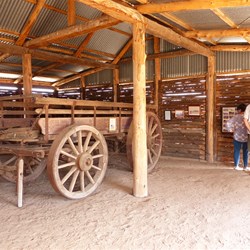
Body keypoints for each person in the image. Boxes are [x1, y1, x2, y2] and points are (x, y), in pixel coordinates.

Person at [226, 103, 248, 170]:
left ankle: (236, 166)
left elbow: (227, 123)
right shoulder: (247, 117)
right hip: (247, 137)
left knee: (237, 151)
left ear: (240, 110)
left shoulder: (235, 117)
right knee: (246, 152)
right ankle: (245, 166)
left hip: (237, 137)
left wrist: (231, 130)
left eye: (237, 110)